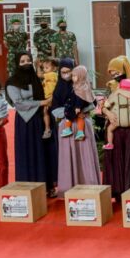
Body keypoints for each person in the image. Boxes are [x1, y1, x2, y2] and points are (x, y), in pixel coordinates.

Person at [6, 52, 58, 198]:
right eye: (22, 61)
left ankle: (47, 186)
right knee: (28, 152)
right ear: (17, 63)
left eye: (28, 60)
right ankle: (28, 188)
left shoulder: (36, 79)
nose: (26, 63)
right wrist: (41, 103)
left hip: (41, 118)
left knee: (44, 153)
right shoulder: (12, 82)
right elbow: (18, 103)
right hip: (26, 121)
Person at [51, 58, 100, 197]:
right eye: (63, 72)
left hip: (82, 126)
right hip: (66, 126)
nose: (66, 75)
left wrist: (82, 111)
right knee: (68, 158)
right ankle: (68, 189)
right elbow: (54, 108)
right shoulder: (58, 89)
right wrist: (69, 114)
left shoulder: (82, 84)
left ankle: (89, 187)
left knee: (85, 156)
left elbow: (92, 103)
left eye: (69, 71)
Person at [102, 55, 130, 200]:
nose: (115, 76)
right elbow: (103, 104)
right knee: (116, 161)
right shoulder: (111, 85)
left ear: (125, 69)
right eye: (112, 74)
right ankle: (118, 192)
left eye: (117, 73)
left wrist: (121, 91)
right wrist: (107, 112)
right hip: (115, 128)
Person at [103, 79, 130, 153]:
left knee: (109, 129)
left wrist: (107, 107)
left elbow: (107, 104)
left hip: (118, 120)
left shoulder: (115, 95)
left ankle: (110, 144)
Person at [60, 65, 94, 141]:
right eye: (73, 76)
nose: (73, 78)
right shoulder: (81, 85)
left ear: (81, 76)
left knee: (68, 114)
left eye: (75, 76)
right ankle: (80, 132)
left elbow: (80, 98)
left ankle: (68, 129)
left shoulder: (81, 87)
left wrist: (78, 107)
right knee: (80, 117)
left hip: (77, 106)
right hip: (78, 106)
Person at [40, 57, 58, 139]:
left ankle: (48, 128)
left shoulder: (52, 74)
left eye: (47, 68)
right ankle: (47, 128)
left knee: (48, 112)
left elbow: (39, 75)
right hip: (46, 98)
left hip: (51, 97)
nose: (44, 69)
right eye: (43, 68)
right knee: (45, 111)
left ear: (54, 68)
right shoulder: (48, 76)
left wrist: (37, 66)